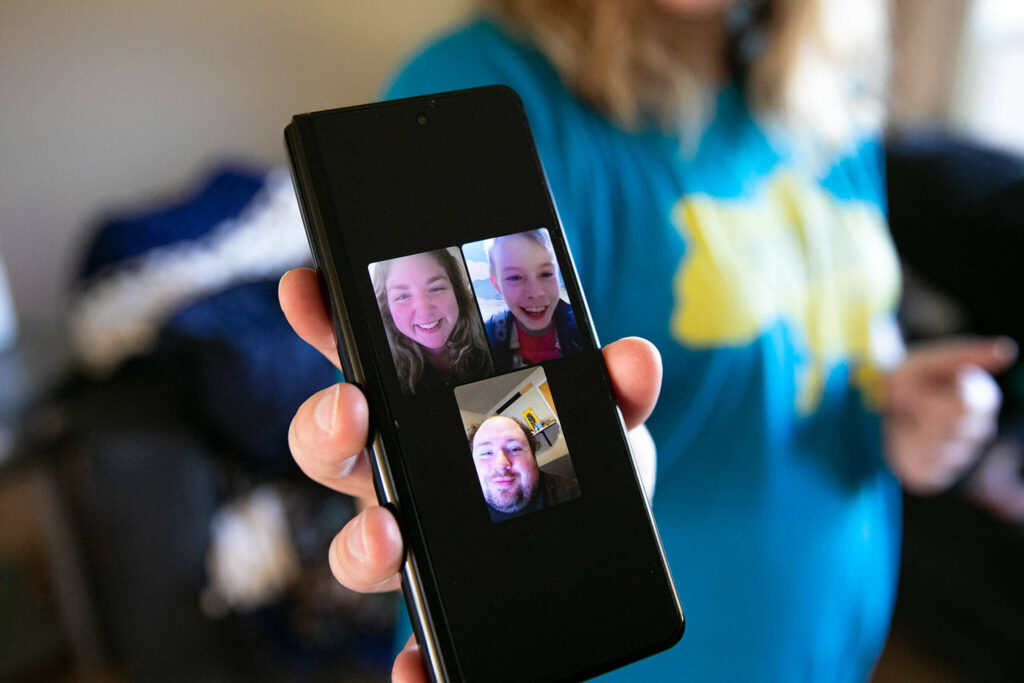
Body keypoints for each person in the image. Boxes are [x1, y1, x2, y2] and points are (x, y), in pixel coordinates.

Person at [280, 0, 1017, 680]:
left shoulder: (824, 93)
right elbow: (464, 417)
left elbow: (828, 349)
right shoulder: (472, 88)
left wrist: (895, 406)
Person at [372, 249, 493, 394]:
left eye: (436, 288)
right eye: (402, 296)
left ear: (457, 293)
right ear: (387, 309)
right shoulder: (380, 371)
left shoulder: (497, 338)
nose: (424, 311)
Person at [484, 229, 582, 369]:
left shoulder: (581, 323)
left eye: (546, 274)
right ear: (497, 285)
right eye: (515, 277)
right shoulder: (487, 337)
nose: (535, 293)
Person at [468, 414, 581, 521]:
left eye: (514, 449)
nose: (501, 464)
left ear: (533, 457)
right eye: (486, 453)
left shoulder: (572, 492)